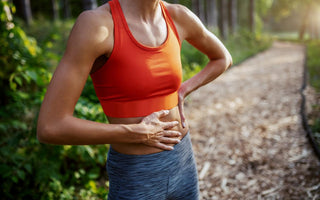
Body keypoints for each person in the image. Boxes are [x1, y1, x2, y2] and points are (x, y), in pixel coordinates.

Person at [37, 0, 232, 199]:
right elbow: (51, 126)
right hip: (136, 173)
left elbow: (222, 58)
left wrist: (183, 89)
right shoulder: (97, 24)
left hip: (183, 160)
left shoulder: (178, 15)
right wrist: (134, 133)